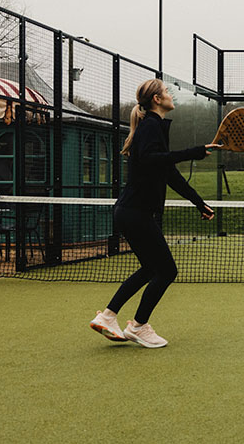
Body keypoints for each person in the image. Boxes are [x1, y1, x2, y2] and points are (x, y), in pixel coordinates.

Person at [89, 78, 220, 348]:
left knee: (151, 269)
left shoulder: (154, 127)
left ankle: (108, 316)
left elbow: (168, 173)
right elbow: (152, 160)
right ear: (157, 100)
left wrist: (198, 202)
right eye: (167, 91)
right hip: (136, 213)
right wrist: (194, 152)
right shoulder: (150, 125)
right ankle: (138, 326)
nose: (171, 95)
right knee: (167, 271)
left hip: (131, 212)